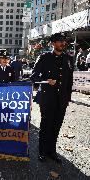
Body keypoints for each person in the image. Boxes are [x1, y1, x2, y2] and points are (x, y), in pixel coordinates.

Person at [30, 33, 74, 164]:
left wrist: (67, 99)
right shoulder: (44, 57)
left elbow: (69, 81)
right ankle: (42, 152)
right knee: (46, 126)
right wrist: (45, 81)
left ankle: (52, 151)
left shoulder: (68, 58)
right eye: (60, 41)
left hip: (61, 99)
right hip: (47, 98)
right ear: (53, 43)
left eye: (64, 41)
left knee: (56, 126)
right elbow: (34, 77)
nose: (63, 43)